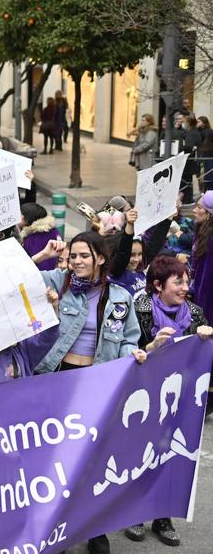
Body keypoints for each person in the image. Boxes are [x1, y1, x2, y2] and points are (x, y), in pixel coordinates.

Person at [32, 233, 146, 554]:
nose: (76, 262)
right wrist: (42, 255)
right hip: (58, 381)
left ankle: (95, 528)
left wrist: (129, 358)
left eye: (84, 256)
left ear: (100, 258)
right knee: (57, 460)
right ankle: (57, 530)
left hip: (98, 383)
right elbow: (18, 276)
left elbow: (129, 338)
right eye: (73, 256)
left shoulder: (120, 297)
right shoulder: (60, 281)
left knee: (95, 459)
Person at [123, 255, 212, 545]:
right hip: (145, 393)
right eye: (179, 282)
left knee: (171, 453)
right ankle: (135, 512)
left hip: (181, 395)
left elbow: (204, 352)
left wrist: (207, 336)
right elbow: (129, 349)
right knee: (141, 452)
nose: (186, 287)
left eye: (187, 281)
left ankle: (163, 517)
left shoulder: (196, 314)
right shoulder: (141, 308)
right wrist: (151, 346)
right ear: (158, 285)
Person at [19, 203, 63, 270]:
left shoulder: (33, 238)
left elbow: (40, 264)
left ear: (27, 219)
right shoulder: (53, 230)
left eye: (20, 215)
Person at [191, 191, 213, 322]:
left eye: (199, 207)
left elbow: (207, 278)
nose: (194, 210)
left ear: (209, 214)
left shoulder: (210, 240)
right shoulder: (201, 230)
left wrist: (201, 313)